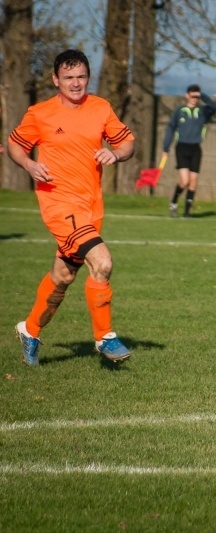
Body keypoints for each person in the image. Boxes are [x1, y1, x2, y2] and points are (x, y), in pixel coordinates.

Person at [7, 49, 135, 365]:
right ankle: (105, 337)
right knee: (102, 263)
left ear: (88, 77)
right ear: (56, 80)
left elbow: (127, 143)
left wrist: (115, 154)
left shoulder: (101, 108)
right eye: (68, 78)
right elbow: (15, 144)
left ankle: (30, 329)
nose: (76, 84)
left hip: (91, 207)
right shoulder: (40, 113)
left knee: (63, 276)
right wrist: (28, 164)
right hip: (59, 204)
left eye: (81, 77)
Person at [162, 84, 216, 218]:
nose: (194, 98)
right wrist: (166, 147)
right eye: (192, 95)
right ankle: (174, 202)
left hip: (195, 149)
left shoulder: (203, 111)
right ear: (187, 95)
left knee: (193, 182)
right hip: (182, 147)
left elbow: (214, 108)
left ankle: (187, 212)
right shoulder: (179, 110)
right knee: (185, 181)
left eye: (196, 96)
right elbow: (171, 128)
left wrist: (202, 95)